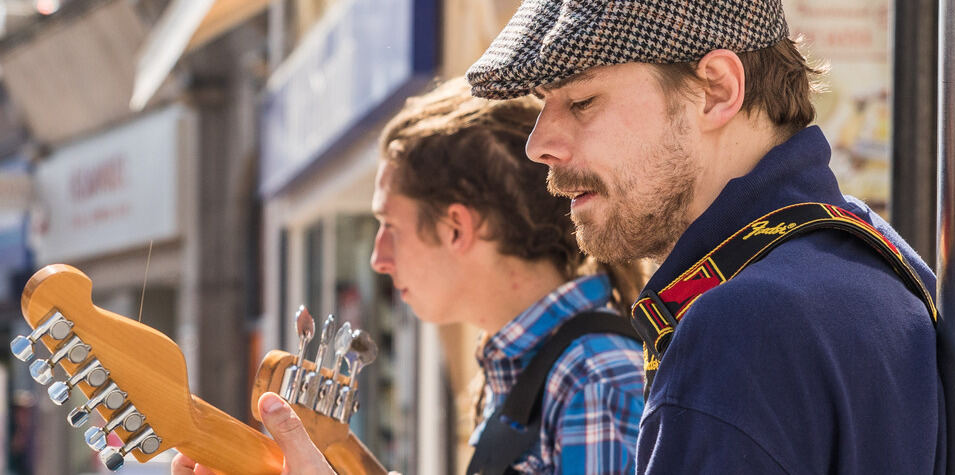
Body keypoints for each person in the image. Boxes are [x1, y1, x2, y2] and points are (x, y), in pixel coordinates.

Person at [467, 0, 944, 472]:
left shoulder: (743, 322)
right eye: (541, 103)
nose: (539, 145)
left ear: (716, 90)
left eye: (581, 102)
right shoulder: (869, 249)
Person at [177, 79, 649, 474]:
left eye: (390, 227)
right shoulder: (528, 369)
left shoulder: (594, 378)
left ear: (457, 227)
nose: (377, 258)